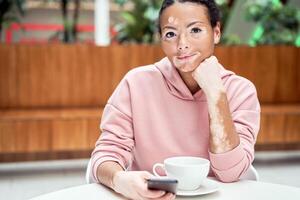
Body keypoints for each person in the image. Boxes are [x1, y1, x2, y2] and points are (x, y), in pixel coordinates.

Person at [90, 0, 260, 199]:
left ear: (216, 33)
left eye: (195, 30)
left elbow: (231, 173)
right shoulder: (136, 83)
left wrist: (215, 94)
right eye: (170, 34)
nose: (182, 45)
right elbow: (105, 155)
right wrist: (120, 179)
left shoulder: (241, 91)